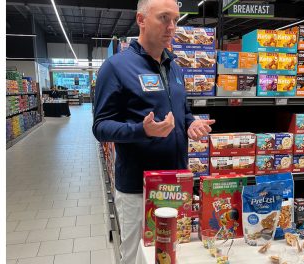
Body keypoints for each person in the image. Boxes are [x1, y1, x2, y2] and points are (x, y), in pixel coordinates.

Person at [92, 0, 215, 263]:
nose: (172, 27)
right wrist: (142, 130)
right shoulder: (115, 67)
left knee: (173, 253)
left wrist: (191, 123)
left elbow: (182, 112)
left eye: (176, 19)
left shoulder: (175, 66)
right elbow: (101, 127)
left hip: (176, 183)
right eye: (164, 18)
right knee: (137, 256)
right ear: (141, 20)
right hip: (138, 187)